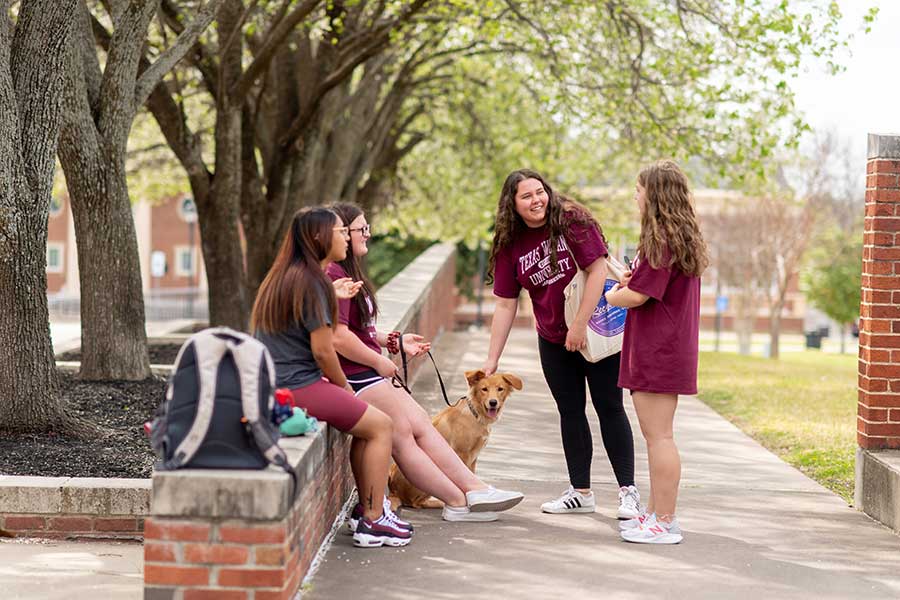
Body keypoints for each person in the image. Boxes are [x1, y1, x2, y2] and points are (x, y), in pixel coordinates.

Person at [325, 202, 525, 523]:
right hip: (356, 376)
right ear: (339, 232)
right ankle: (462, 498)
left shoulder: (345, 272)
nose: (367, 235)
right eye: (361, 229)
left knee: (415, 422)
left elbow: (359, 330)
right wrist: (379, 363)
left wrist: (394, 342)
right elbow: (337, 337)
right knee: (403, 432)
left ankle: (468, 493)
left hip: (362, 372)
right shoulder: (333, 273)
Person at [481, 169, 641, 519]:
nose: (537, 200)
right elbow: (506, 302)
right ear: (513, 204)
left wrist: (579, 325)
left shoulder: (571, 219)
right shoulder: (510, 243)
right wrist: (492, 359)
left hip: (594, 328)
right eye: (527, 196)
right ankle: (580, 491)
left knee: (609, 406)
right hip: (552, 336)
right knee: (570, 411)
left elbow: (598, 271)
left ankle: (628, 492)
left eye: (540, 192)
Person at [251, 206, 411, 549]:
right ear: (319, 238)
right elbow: (324, 352)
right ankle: (374, 520)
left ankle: (367, 510)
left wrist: (332, 295)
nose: (345, 237)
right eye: (340, 231)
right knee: (381, 426)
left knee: (366, 429)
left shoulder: (292, 275)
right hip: (296, 386)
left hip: (277, 381)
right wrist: (343, 388)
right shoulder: (315, 285)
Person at [606, 159, 709, 545]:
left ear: (655, 195)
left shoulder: (661, 239)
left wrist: (615, 295)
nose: (635, 195)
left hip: (658, 351)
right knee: (656, 437)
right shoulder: (673, 238)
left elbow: (637, 294)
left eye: (639, 189)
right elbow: (648, 283)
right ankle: (654, 514)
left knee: (659, 437)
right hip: (663, 348)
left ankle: (665, 522)